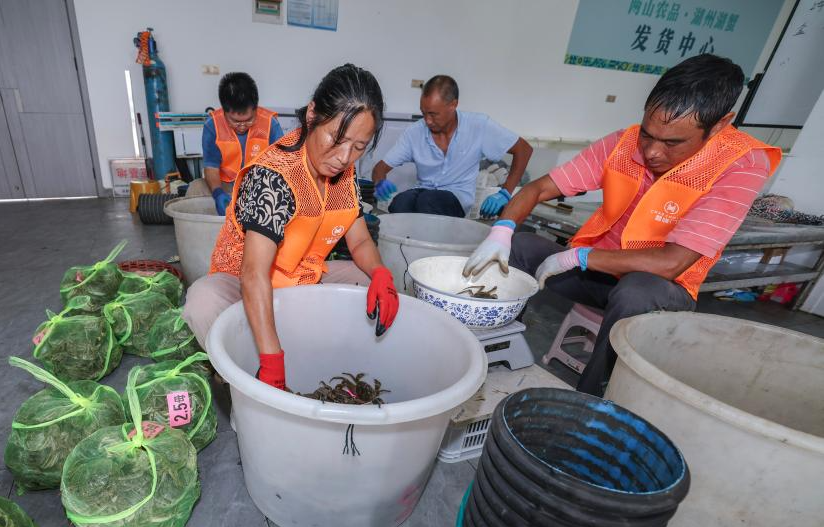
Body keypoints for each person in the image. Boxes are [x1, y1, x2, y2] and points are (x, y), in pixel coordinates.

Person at [463, 54, 781, 396]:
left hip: (660, 289)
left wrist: (578, 257)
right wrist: (502, 231)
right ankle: (484, 349)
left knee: (635, 292)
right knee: (520, 247)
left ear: (719, 125)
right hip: (599, 274)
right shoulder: (624, 142)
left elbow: (672, 263)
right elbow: (539, 188)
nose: (652, 151)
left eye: (672, 143)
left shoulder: (741, 163)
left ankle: (591, 402)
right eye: (647, 134)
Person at [184, 64, 399, 389]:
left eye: (358, 147)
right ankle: (244, 372)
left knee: (366, 281)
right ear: (312, 115)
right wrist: (273, 361)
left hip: (302, 275)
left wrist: (382, 274)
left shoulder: (345, 173)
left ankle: (333, 357)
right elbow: (254, 273)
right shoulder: (274, 176)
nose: (344, 157)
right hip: (246, 279)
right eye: (337, 139)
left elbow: (359, 241)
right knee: (202, 301)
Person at [371, 75, 532, 218]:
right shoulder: (414, 132)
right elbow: (380, 169)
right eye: (424, 113)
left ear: (453, 105)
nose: (427, 121)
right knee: (400, 203)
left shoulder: (478, 126)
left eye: (433, 114)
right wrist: (379, 182)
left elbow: (524, 150)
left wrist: (505, 193)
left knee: (428, 201)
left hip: (456, 197)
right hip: (422, 193)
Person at [202, 72, 285, 216]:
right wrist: (218, 193)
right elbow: (211, 167)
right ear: (224, 111)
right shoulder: (212, 126)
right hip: (226, 185)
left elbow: (281, 164)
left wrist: (265, 189)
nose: (242, 126)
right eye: (235, 121)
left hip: (260, 185)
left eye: (249, 120)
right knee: (195, 189)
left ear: (255, 108)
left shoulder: (270, 124)